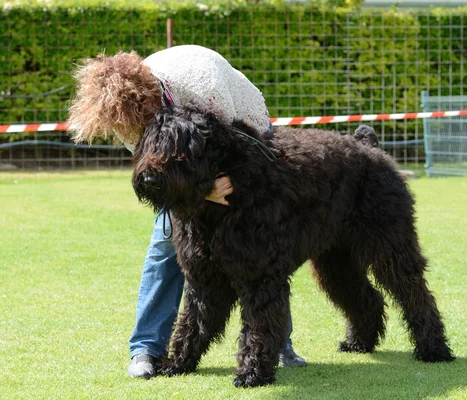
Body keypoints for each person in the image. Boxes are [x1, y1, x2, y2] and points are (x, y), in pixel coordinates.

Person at [67, 45, 308, 379]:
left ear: (147, 101)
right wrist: (200, 194)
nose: (128, 132)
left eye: (137, 123)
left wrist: (218, 184)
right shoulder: (126, 119)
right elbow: (153, 166)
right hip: (186, 162)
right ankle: (146, 348)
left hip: (242, 128)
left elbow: (232, 147)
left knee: (260, 245)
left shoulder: (204, 88)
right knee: (167, 243)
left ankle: (277, 343)